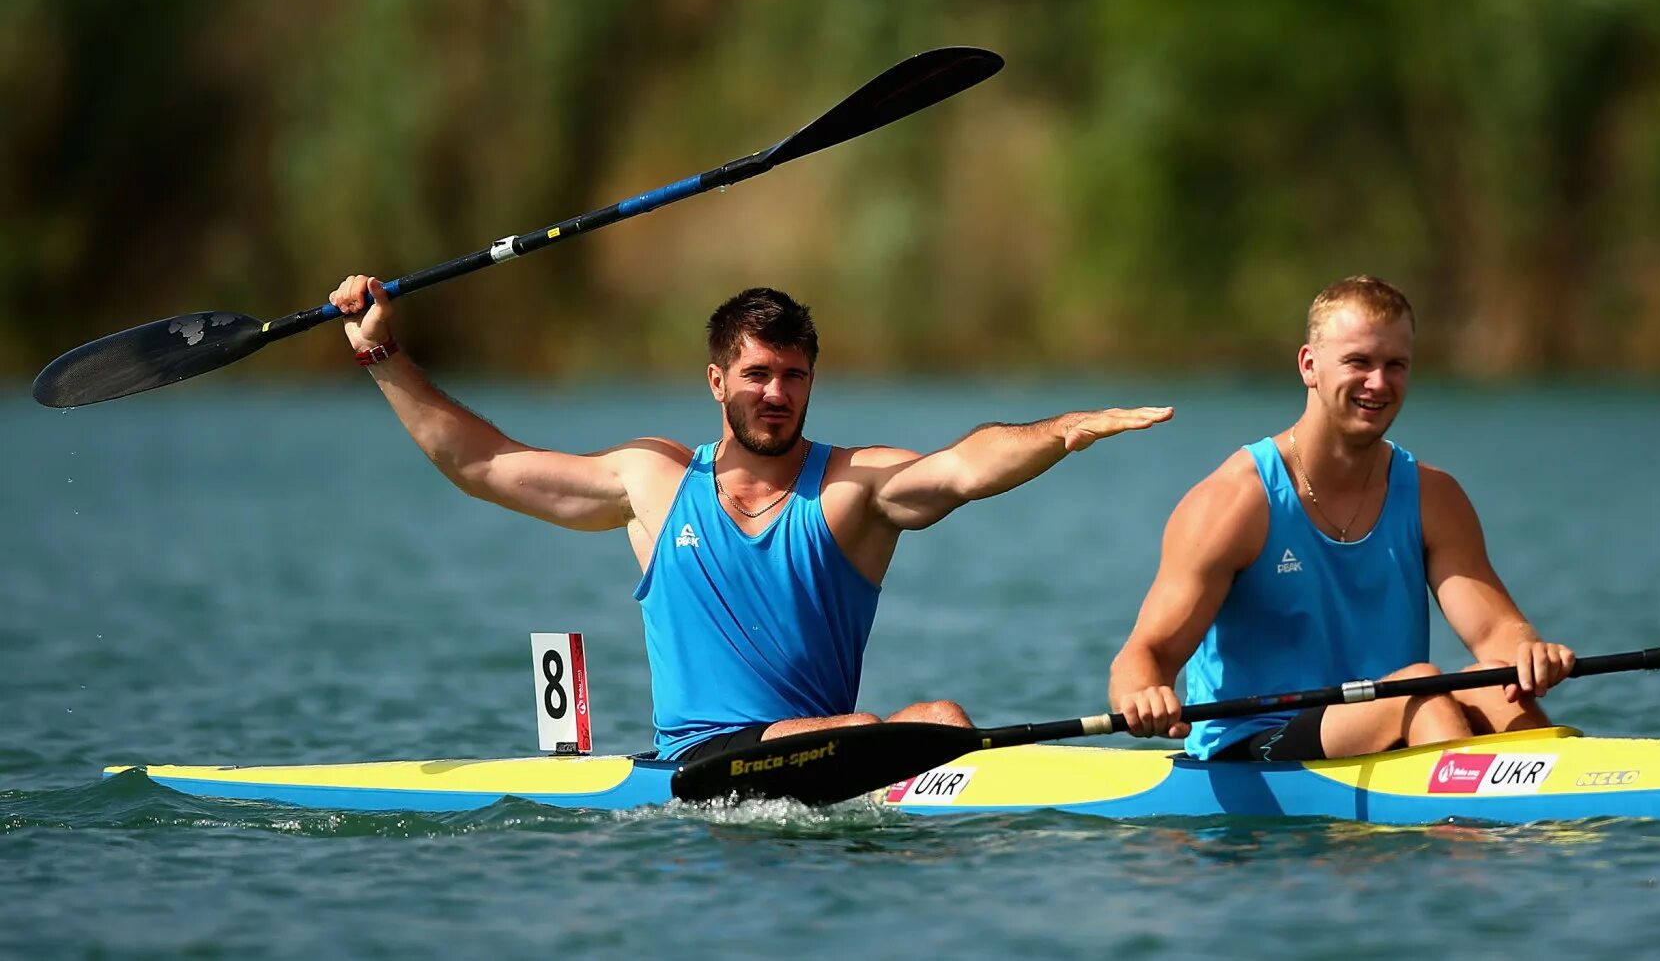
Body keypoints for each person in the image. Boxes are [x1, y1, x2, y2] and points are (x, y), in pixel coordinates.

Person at [329, 275, 1171, 764]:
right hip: (703, 765)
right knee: (872, 731)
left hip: (828, 758)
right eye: (759, 373)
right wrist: (380, 353)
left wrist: (1059, 433)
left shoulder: (851, 488)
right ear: (717, 381)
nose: (777, 393)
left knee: (945, 719)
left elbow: (963, 465)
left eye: (795, 376)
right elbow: (482, 464)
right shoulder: (652, 481)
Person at [1108, 275, 1572, 761]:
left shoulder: (1435, 497)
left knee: (1493, 684)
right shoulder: (1234, 502)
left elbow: (1495, 633)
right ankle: (1470, 828)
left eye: (1396, 365)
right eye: (1359, 362)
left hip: (1390, 715)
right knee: (1419, 687)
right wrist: (1144, 694)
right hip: (1253, 742)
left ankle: (1562, 804)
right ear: (1310, 366)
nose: (1379, 383)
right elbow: (1146, 655)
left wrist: (1527, 652)